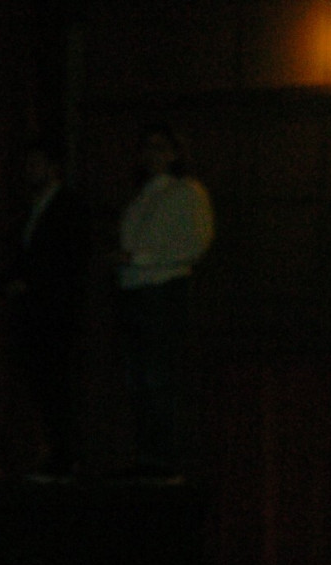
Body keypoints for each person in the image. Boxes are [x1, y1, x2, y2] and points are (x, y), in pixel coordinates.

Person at [115, 123, 214, 484]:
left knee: (159, 377)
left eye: (160, 147)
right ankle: (148, 457)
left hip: (162, 289)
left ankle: (165, 461)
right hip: (135, 291)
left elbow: (196, 244)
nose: (152, 155)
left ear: (174, 153)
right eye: (147, 147)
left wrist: (140, 259)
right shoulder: (142, 196)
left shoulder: (186, 191)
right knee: (138, 379)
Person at [4, 135, 91, 483]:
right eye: (28, 164)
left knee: (57, 384)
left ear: (54, 168)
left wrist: (32, 283)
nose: (30, 170)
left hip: (55, 311)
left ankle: (66, 457)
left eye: (37, 163)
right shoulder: (32, 208)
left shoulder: (68, 206)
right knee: (42, 383)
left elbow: (68, 259)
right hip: (33, 311)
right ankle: (57, 453)